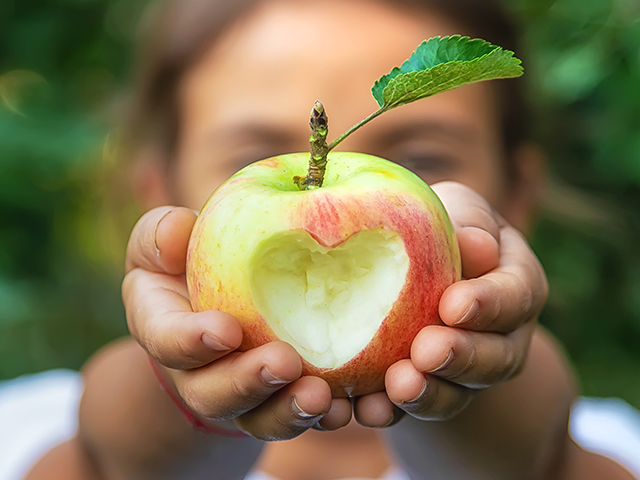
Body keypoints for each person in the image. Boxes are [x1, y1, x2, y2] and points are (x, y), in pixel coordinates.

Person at [17, 0, 640, 478]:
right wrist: (175, 392)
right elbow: (108, 462)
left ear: (517, 197)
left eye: (421, 157)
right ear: (159, 195)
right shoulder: (24, 422)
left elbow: (542, 462)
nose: (337, 211)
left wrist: (484, 391)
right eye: (259, 153)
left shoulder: (611, 442)